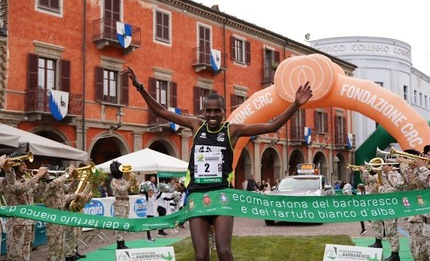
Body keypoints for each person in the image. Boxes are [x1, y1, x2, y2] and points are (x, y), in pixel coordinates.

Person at [124, 66, 312, 261]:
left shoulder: (232, 131)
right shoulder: (196, 125)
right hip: (197, 196)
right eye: (208, 111)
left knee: (223, 251)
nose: (212, 115)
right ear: (203, 111)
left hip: (222, 196)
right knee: (201, 255)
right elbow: (160, 111)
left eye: (217, 111)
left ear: (224, 112)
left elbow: (272, 125)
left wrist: (296, 104)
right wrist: (140, 87)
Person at [3, 161, 48, 261]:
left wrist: (43, 179)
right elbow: (20, 188)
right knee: (15, 256)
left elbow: (39, 193)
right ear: (16, 165)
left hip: (29, 222)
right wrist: (38, 176)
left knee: (26, 254)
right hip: (17, 224)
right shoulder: (9, 180)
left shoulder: (26, 180)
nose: (26, 166)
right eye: (23, 164)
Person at [36, 165, 77, 261]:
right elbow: (56, 182)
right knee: (54, 252)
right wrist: (67, 173)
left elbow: (70, 189)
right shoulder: (48, 185)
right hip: (53, 221)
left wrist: (76, 178)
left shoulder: (58, 186)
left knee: (60, 250)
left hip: (60, 219)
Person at [378, 160, 403, 261]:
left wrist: (380, 189)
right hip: (387, 206)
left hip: (393, 206)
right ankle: (393, 253)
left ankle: (395, 254)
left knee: (391, 230)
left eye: (386, 164)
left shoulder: (396, 175)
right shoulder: (387, 175)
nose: (384, 166)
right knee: (389, 231)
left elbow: (395, 190)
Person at [109, 161, 132, 249]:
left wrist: (131, 181)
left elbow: (129, 187)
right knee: (119, 223)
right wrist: (129, 182)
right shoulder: (114, 181)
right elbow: (121, 189)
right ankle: (119, 243)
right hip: (119, 203)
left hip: (126, 202)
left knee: (124, 223)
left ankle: (122, 241)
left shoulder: (122, 180)